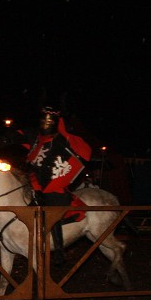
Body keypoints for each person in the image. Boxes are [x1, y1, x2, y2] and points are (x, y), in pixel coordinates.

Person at [23, 105, 92, 265]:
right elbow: (25, 137)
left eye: (50, 121)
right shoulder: (39, 141)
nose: (46, 123)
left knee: (51, 210)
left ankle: (59, 250)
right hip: (36, 182)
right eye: (44, 120)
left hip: (54, 186)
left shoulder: (61, 140)